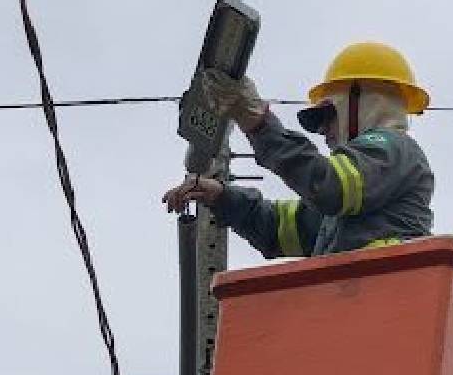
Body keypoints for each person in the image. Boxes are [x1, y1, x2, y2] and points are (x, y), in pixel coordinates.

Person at [162, 42, 434, 258]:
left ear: (362, 102)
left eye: (328, 115)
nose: (324, 130)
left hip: (383, 297)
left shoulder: (395, 149)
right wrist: (222, 197)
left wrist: (259, 124)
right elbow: (279, 228)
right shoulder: (343, 214)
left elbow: (329, 186)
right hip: (355, 303)